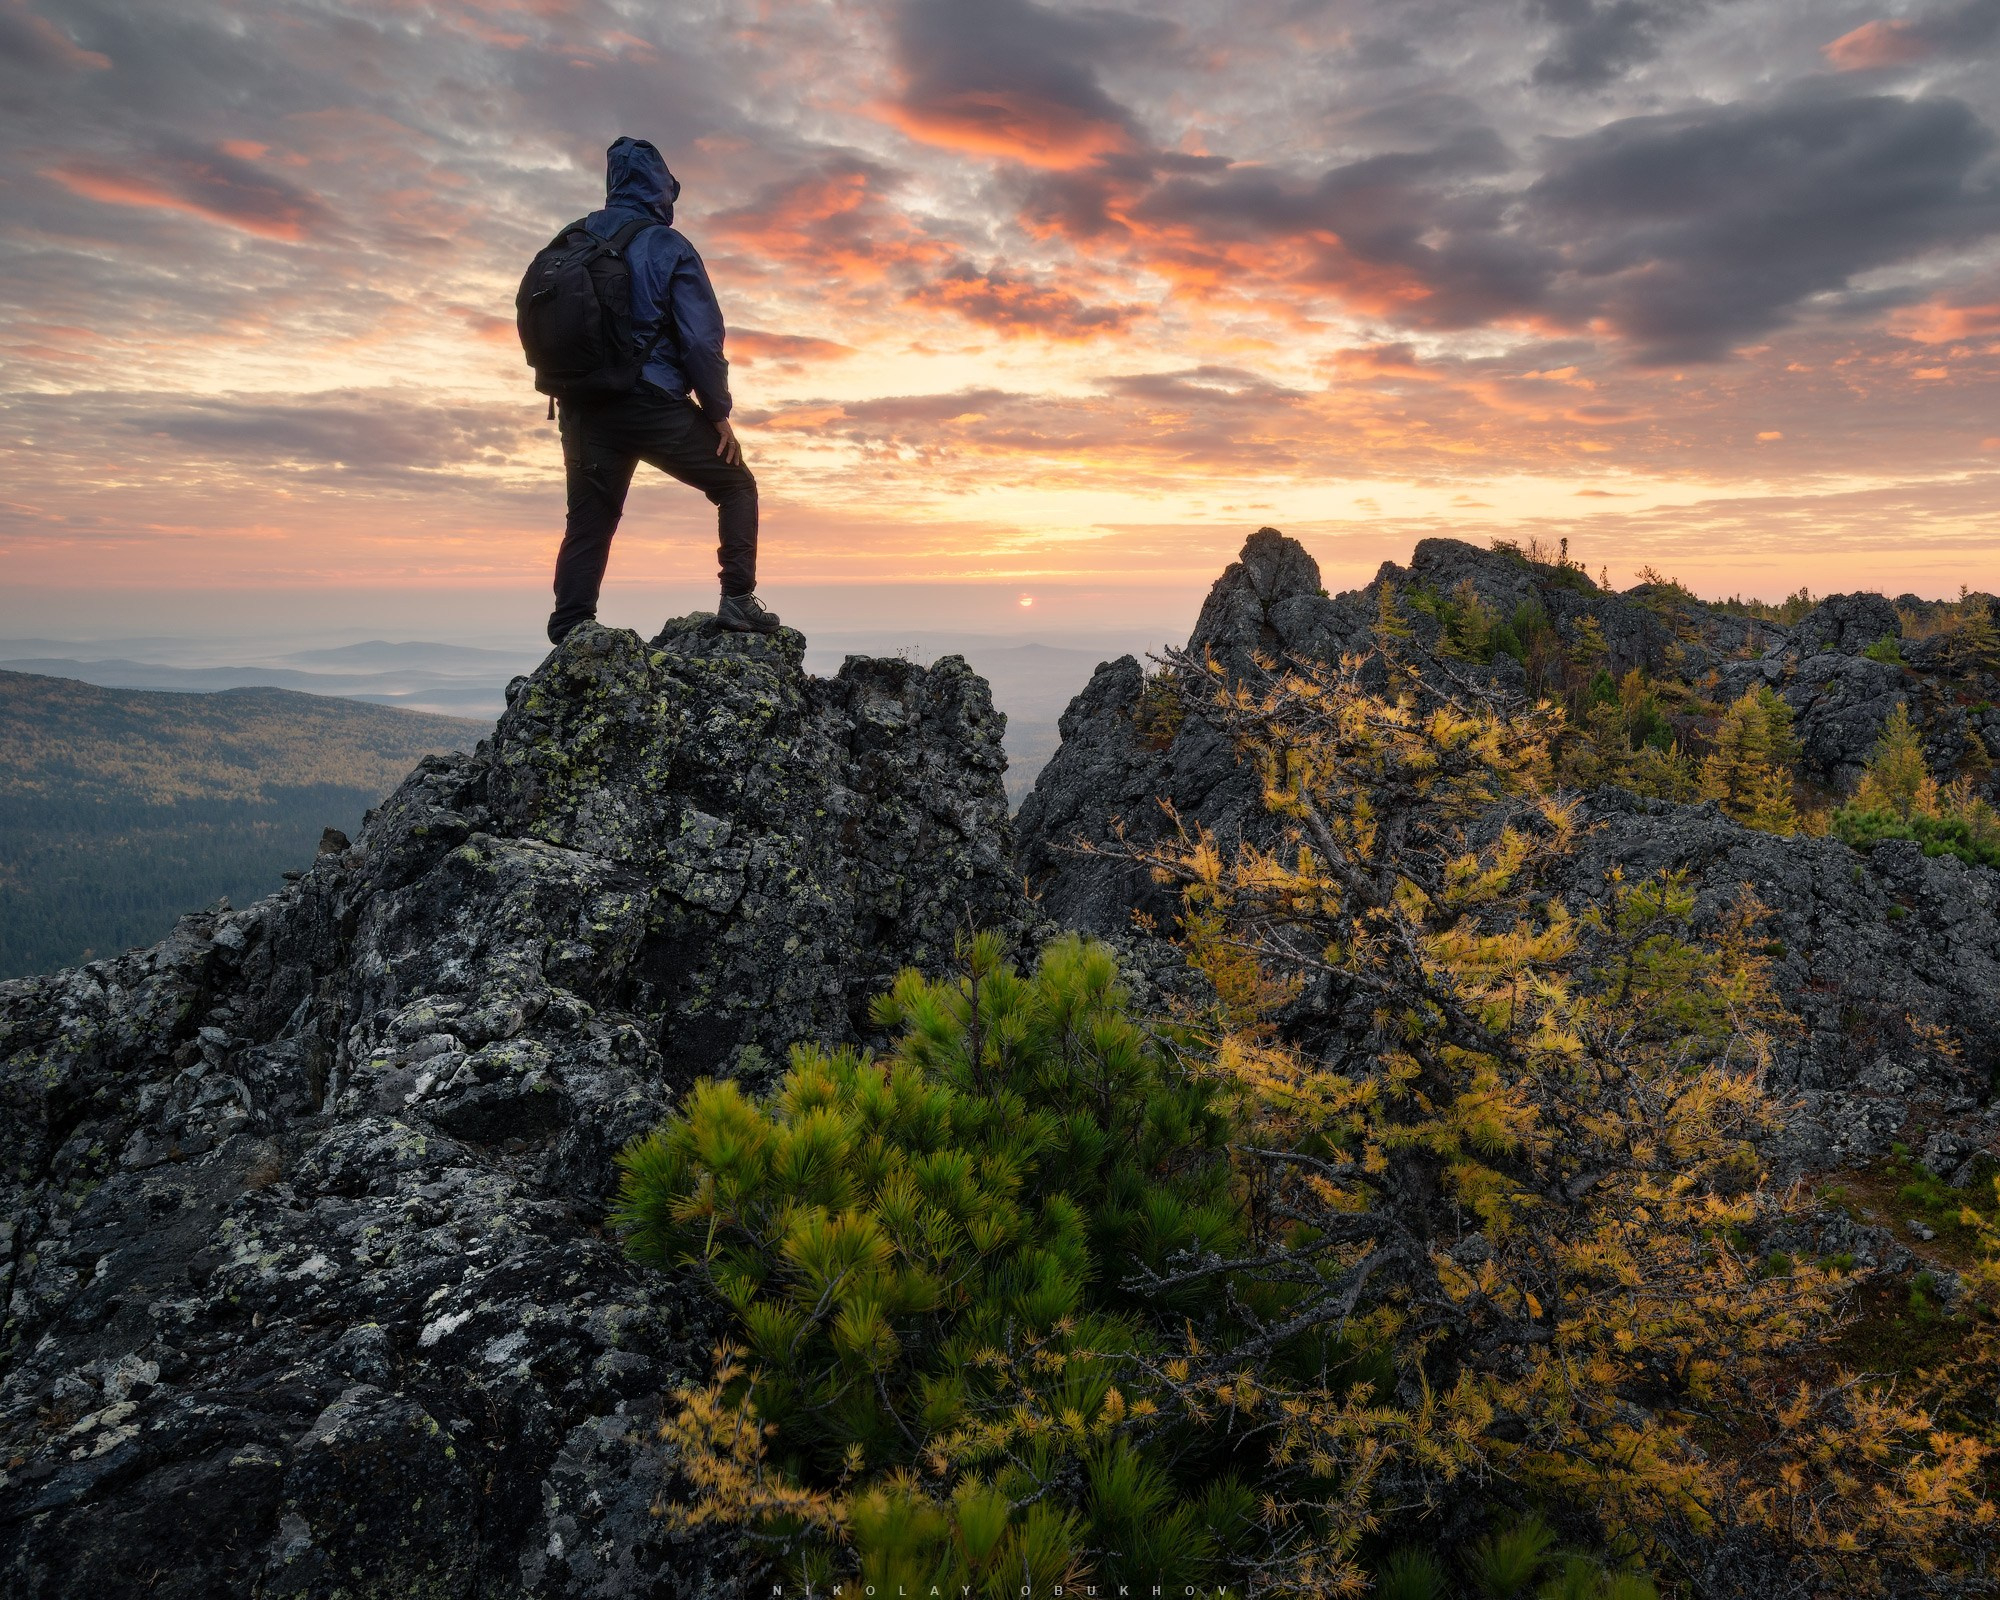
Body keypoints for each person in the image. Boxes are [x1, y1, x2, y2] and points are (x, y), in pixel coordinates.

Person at [546, 136, 778, 642]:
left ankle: (571, 631)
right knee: (735, 484)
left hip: (582, 405)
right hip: (649, 399)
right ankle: (738, 599)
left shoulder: (573, 238)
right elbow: (700, 340)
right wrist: (718, 412)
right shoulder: (667, 245)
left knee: (590, 517)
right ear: (660, 189)